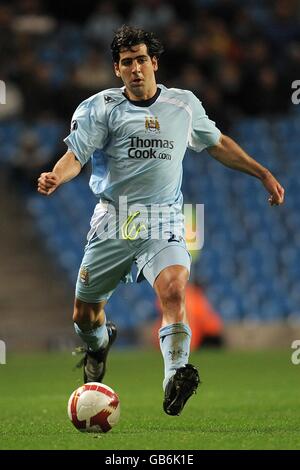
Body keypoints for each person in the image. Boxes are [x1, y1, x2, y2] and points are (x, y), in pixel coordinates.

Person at [37, 25, 285, 416]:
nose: (135, 68)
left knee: (173, 290)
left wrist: (262, 173)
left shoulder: (183, 104)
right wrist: (56, 175)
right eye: (126, 63)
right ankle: (98, 345)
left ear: (154, 62)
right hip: (112, 220)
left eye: (140, 60)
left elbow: (217, 143)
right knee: (84, 315)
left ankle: (174, 377)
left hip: (163, 217)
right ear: (117, 70)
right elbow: (76, 157)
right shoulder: (99, 107)